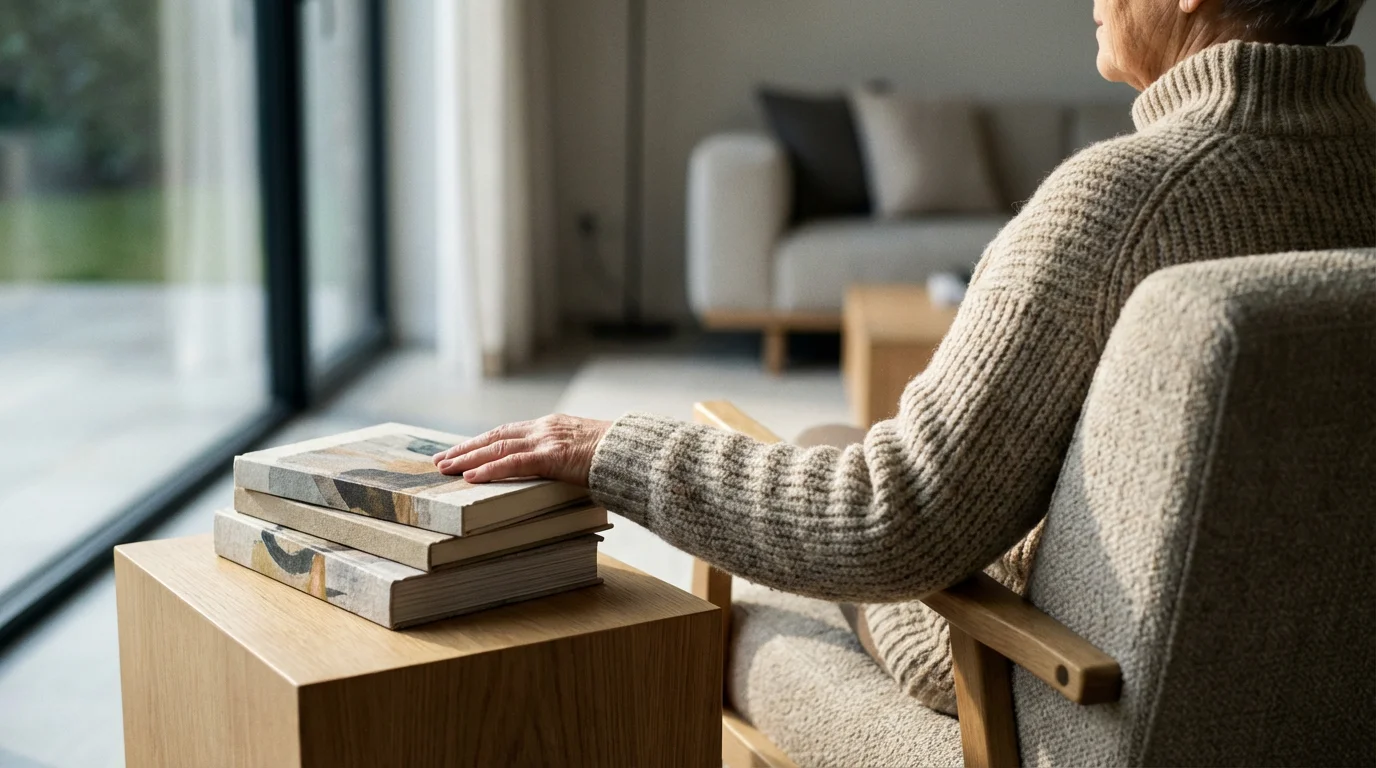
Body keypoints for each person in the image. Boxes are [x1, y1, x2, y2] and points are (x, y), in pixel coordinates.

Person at [432, 0, 1376, 716]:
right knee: (838, 432)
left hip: (1037, 689)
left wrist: (610, 449)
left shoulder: (1121, 207)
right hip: (1297, 700)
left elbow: (891, 522)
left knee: (777, 546)